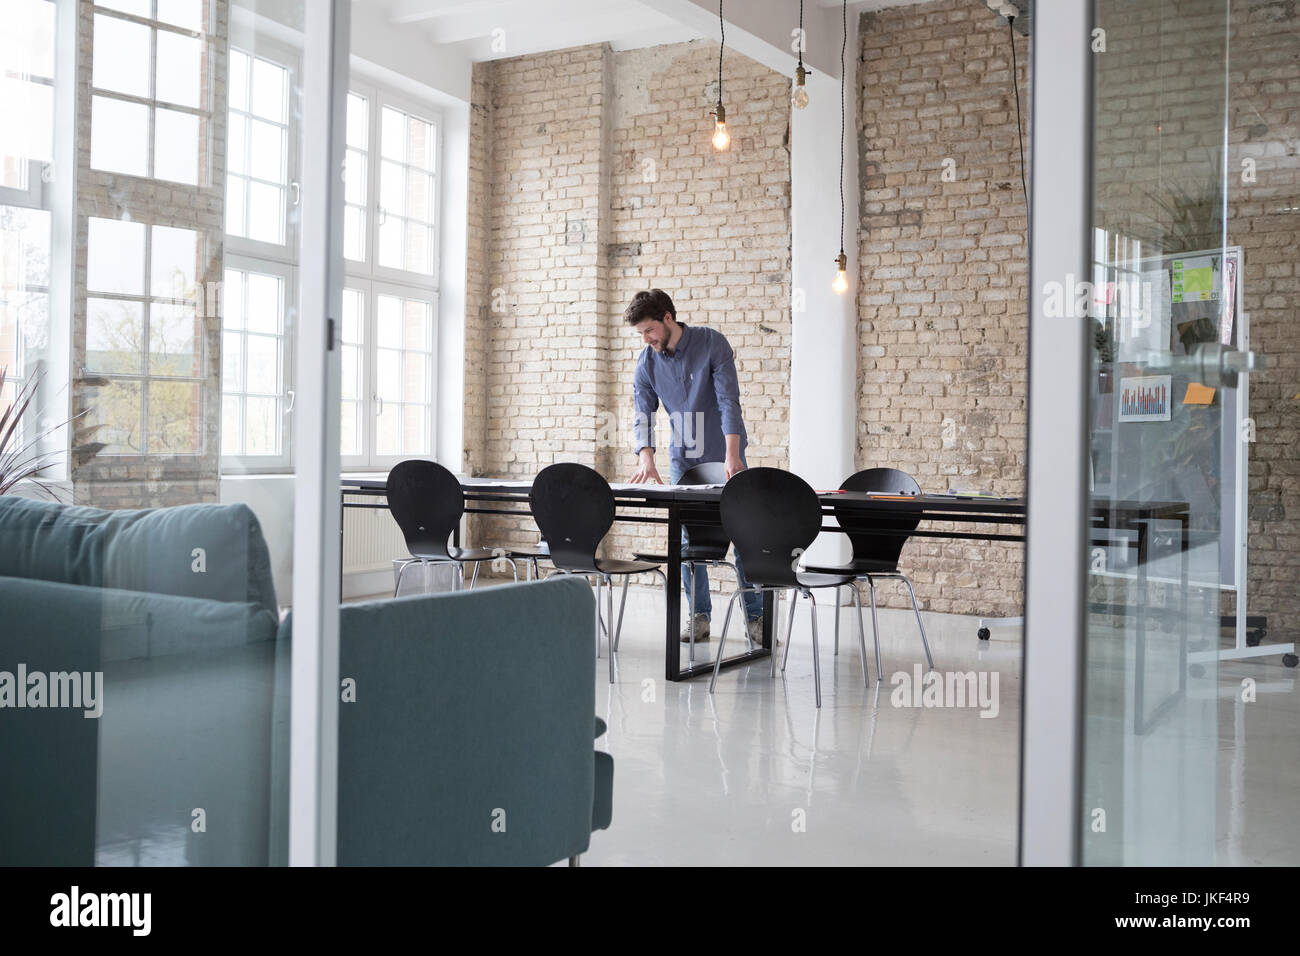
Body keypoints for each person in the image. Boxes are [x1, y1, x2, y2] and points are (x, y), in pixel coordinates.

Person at [625, 289, 764, 645]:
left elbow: (728, 400)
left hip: (724, 450)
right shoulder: (647, 362)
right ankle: (698, 616)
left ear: (668, 318)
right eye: (641, 333)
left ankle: (757, 618)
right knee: (688, 539)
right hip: (683, 456)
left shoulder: (711, 343)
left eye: (649, 330)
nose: (647, 339)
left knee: (743, 533)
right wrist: (646, 459)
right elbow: (643, 414)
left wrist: (733, 455)